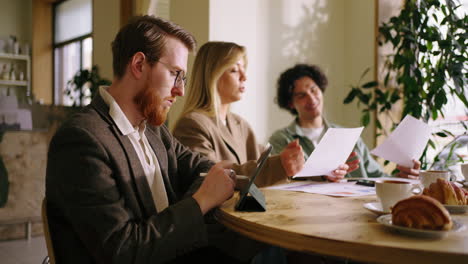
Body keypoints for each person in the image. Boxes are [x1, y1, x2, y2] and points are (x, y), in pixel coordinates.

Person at [46, 16, 239, 264]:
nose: (180, 90)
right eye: (174, 74)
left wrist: (202, 192)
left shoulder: (153, 131)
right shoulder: (81, 140)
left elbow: (202, 169)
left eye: (183, 78)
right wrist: (200, 201)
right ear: (138, 64)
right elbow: (122, 250)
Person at [173, 42, 355, 187]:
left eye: (244, 68)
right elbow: (211, 176)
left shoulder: (240, 124)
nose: (244, 76)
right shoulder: (192, 124)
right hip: (219, 226)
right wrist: (281, 165)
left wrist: (320, 173)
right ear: (212, 75)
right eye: (235, 70)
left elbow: (268, 165)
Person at [269, 64, 421, 181]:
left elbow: (378, 179)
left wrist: (403, 178)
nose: (311, 98)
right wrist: (322, 177)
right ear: (290, 103)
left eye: (314, 90)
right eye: (301, 95)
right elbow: (280, 182)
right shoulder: (282, 140)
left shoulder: (350, 138)